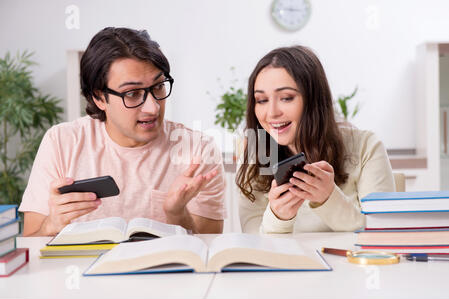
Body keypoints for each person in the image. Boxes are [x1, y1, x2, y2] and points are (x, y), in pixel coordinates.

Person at [20, 27, 226, 236]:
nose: (153, 108)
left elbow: (208, 251)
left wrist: (177, 214)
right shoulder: (61, 142)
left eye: (158, 87)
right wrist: (51, 225)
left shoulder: (198, 149)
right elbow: (30, 243)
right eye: (132, 93)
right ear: (99, 98)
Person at [237, 45, 395, 234]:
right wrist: (278, 217)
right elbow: (254, 243)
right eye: (261, 100)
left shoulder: (366, 146)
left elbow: (384, 234)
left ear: (314, 100)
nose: (271, 113)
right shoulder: (256, 154)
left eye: (286, 98)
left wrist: (328, 198)